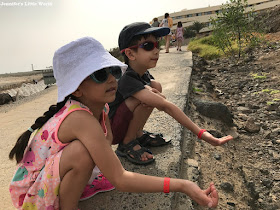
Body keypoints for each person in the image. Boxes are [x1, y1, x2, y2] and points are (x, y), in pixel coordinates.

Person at [9, 36, 220, 209]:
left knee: (86, 151)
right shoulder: (79, 118)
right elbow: (120, 178)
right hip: (32, 194)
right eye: (100, 74)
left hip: (50, 175)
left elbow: (107, 142)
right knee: (82, 153)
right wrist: (183, 185)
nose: (112, 79)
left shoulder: (101, 107)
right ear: (76, 88)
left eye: (113, 71)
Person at [109, 22, 233, 165]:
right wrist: (202, 134)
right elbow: (165, 105)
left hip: (121, 121)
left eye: (157, 45)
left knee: (155, 85)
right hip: (113, 131)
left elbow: (156, 91)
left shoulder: (141, 72)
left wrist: (153, 93)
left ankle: (138, 134)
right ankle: (127, 144)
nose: (156, 51)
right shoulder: (127, 78)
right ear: (130, 54)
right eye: (148, 46)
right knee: (147, 99)